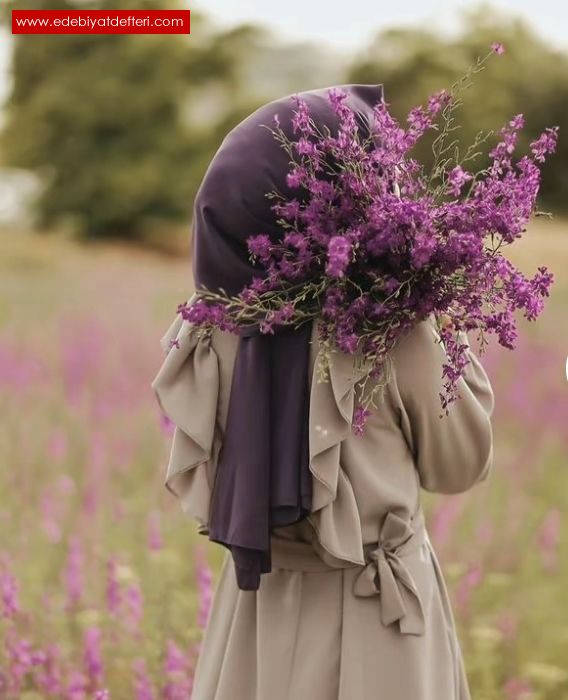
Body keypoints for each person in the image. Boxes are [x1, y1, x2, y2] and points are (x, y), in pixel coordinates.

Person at [151, 84, 495, 700]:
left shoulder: (208, 329)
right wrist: (447, 323)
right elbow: (459, 466)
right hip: (380, 617)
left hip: (257, 611)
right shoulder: (395, 329)